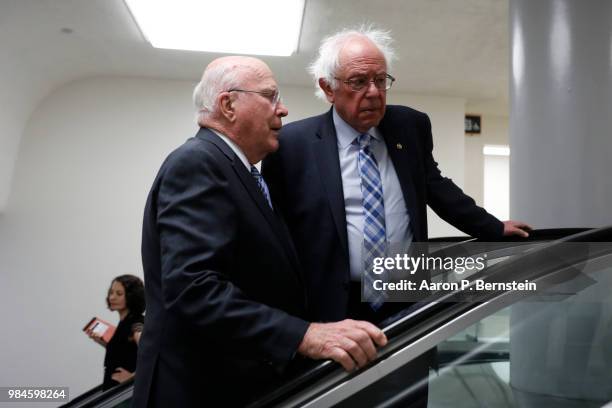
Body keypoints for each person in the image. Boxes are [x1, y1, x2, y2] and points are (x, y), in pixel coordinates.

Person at [262, 27, 532, 406]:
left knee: (405, 398)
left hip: (404, 302)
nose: (373, 92)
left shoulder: (410, 126)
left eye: (380, 79)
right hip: (333, 312)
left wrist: (492, 227)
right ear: (328, 87)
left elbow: (435, 185)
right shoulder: (292, 146)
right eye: (358, 81)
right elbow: (275, 234)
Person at [132, 56, 388, 408]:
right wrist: (304, 335)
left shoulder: (242, 172)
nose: (282, 110)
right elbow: (193, 288)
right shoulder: (198, 162)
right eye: (270, 96)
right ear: (228, 104)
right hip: (196, 391)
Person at [87, 274, 145, 390]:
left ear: (131, 297)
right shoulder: (124, 323)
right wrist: (102, 342)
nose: (112, 297)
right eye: (111, 292)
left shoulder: (136, 324)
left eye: (119, 294)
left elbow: (152, 356)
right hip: (114, 390)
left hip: (124, 394)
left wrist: (132, 377)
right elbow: (124, 352)